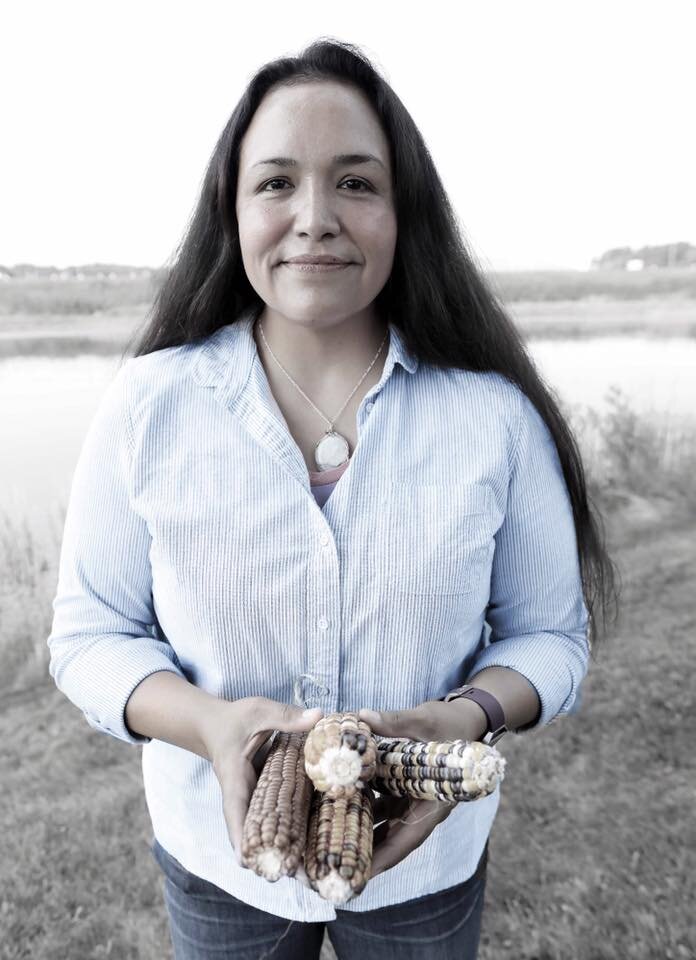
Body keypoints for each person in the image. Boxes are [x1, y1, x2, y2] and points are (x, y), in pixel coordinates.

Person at [47, 36, 616, 960]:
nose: (314, 217)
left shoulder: (494, 418)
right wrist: (211, 726)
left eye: (355, 182)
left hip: (424, 871)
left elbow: (550, 637)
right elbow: (89, 636)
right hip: (223, 862)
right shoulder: (150, 404)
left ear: (404, 212)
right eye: (276, 183)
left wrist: (464, 717)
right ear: (232, 212)